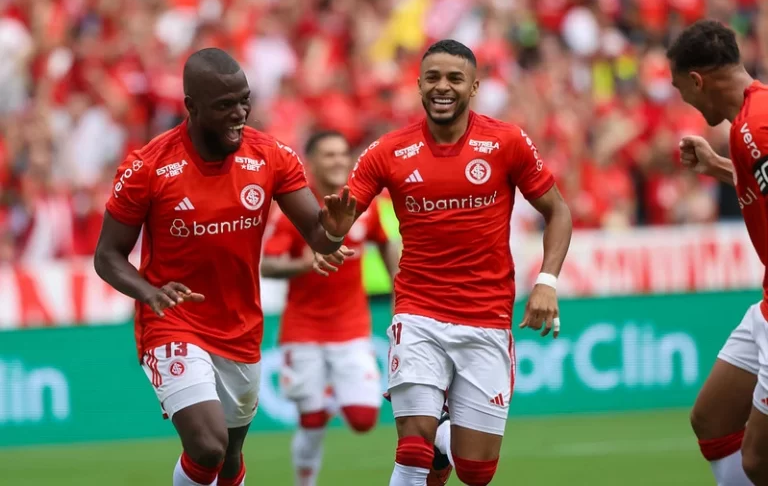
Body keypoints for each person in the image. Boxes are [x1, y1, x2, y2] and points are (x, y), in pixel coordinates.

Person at [93, 48, 357, 486]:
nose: (239, 114)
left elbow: (319, 236)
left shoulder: (271, 156)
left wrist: (335, 230)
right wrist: (148, 292)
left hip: (240, 326)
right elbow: (107, 255)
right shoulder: (148, 167)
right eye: (224, 106)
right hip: (172, 319)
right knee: (207, 446)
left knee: (230, 459)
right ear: (191, 108)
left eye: (244, 101)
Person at [314, 39, 573, 486]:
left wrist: (547, 281)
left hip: (486, 317)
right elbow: (335, 226)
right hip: (418, 312)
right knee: (411, 445)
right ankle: (428, 441)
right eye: (433, 78)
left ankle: (443, 442)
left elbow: (559, 211)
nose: (443, 87)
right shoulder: (388, 151)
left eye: (455, 78)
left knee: (476, 472)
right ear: (418, 85)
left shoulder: (505, 141)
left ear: (474, 86)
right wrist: (334, 231)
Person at [261, 130, 400, 486]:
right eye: (328, 154)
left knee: (364, 418)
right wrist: (306, 263)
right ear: (310, 162)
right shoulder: (296, 209)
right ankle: (304, 482)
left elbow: (385, 245)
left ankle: (329, 389)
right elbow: (268, 266)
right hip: (303, 329)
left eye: (342, 154)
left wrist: (402, 290)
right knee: (312, 421)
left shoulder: (362, 205)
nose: (339, 161)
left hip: (351, 328)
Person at [669, 19, 768, 486]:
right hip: (765, 305)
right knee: (711, 418)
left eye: (680, 89)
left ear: (697, 80)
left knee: (758, 461)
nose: (684, 101)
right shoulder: (750, 125)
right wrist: (720, 167)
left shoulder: (756, 127)